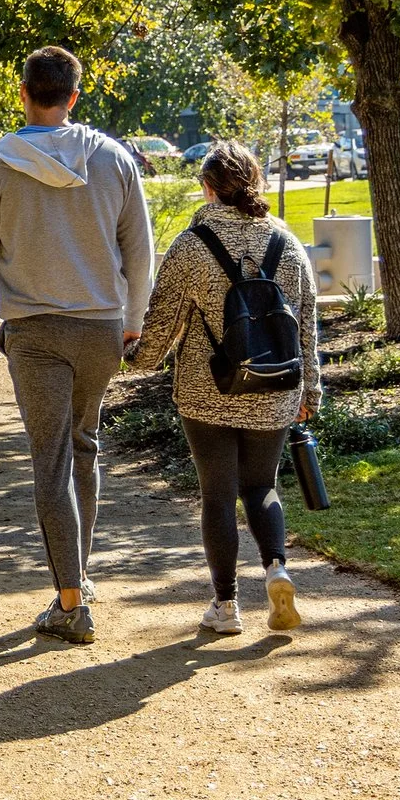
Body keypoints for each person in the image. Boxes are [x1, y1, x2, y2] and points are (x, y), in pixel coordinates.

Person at [0, 47, 156, 645]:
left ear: (24, 92)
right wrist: (134, 318)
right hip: (101, 326)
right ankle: (81, 576)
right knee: (83, 446)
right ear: (73, 96)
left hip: (37, 331)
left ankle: (70, 601)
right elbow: (140, 251)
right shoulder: (114, 160)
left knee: (51, 461)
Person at [133, 141, 323, 635]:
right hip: (276, 386)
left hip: (206, 389)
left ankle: (225, 606)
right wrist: (310, 392)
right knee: (261, 485)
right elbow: (306, 325)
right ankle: (277, 567)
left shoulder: (192, 246)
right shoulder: (288, 244)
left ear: (207, 187)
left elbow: (162, 322)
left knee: (217, 494)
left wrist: (137, 362)